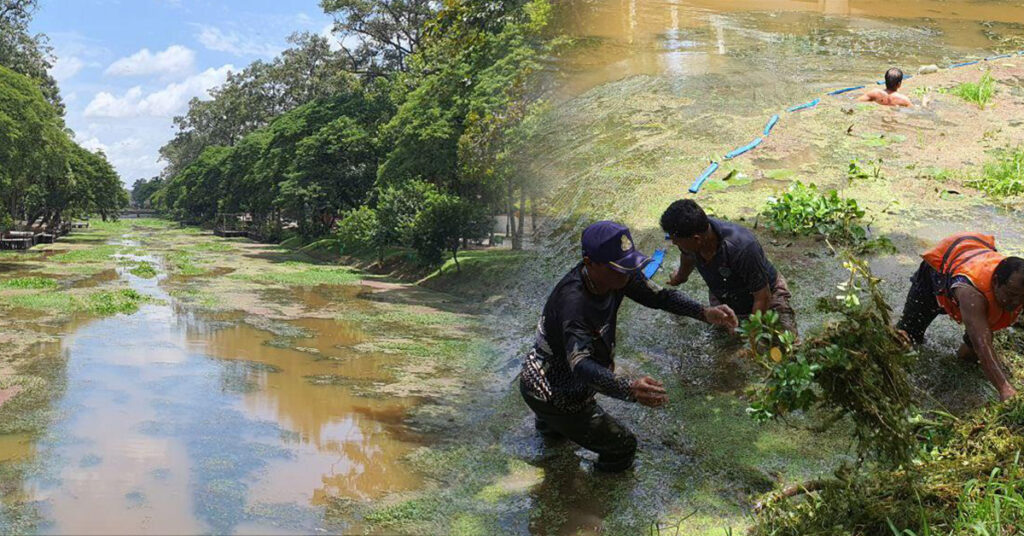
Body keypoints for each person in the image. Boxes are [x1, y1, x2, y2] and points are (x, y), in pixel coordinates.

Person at [519, 221, 738, 472]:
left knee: (556, 438)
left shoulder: (618, 276)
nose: (627, 274)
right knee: (622, 446)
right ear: (590, 263)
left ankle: (554, 451)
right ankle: (588, 504)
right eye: (619, 268)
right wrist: (629, 389)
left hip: (557, 378)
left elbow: (659, 297)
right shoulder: (574, 303)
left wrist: (704, 312)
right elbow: (581, 364)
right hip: (553, 392)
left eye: (629, 265)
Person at [896, 232, 1024, 402]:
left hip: (974, 258)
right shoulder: (972, 294)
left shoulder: (1017, 293)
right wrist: (1005, 389)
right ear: (995, 282)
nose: (1017, 303)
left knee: (969, 358)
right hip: (937, 277)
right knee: (908, 337)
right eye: (1012, 295)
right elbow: (982, 344)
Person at [659, 199, 797, 334]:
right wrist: (680, 277)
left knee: (787, 346)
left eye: (675, 241)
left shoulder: (742, 247)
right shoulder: (691, 239)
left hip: (768, 295)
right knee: (724, 349)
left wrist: (752, 338)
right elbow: (687, 255)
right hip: (725, 296)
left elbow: (763, 296)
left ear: (697, 239)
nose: (674, 244)